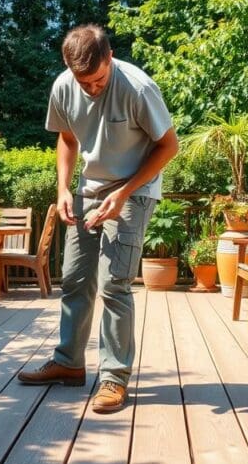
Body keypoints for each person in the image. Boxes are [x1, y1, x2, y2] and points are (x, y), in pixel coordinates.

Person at [18, 24, 178, 413]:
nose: (91, 88)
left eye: (98, 80)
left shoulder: (138, 88)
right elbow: (68, 139)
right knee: (73, 278)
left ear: (109, 58)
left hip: (134, 191)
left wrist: (123, 193)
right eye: (83, 81)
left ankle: (113, 378)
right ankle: (69, 364)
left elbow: (169, 146)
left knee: (114, 285)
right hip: (88, 191)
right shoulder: (63, 86)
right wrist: (62, 190)